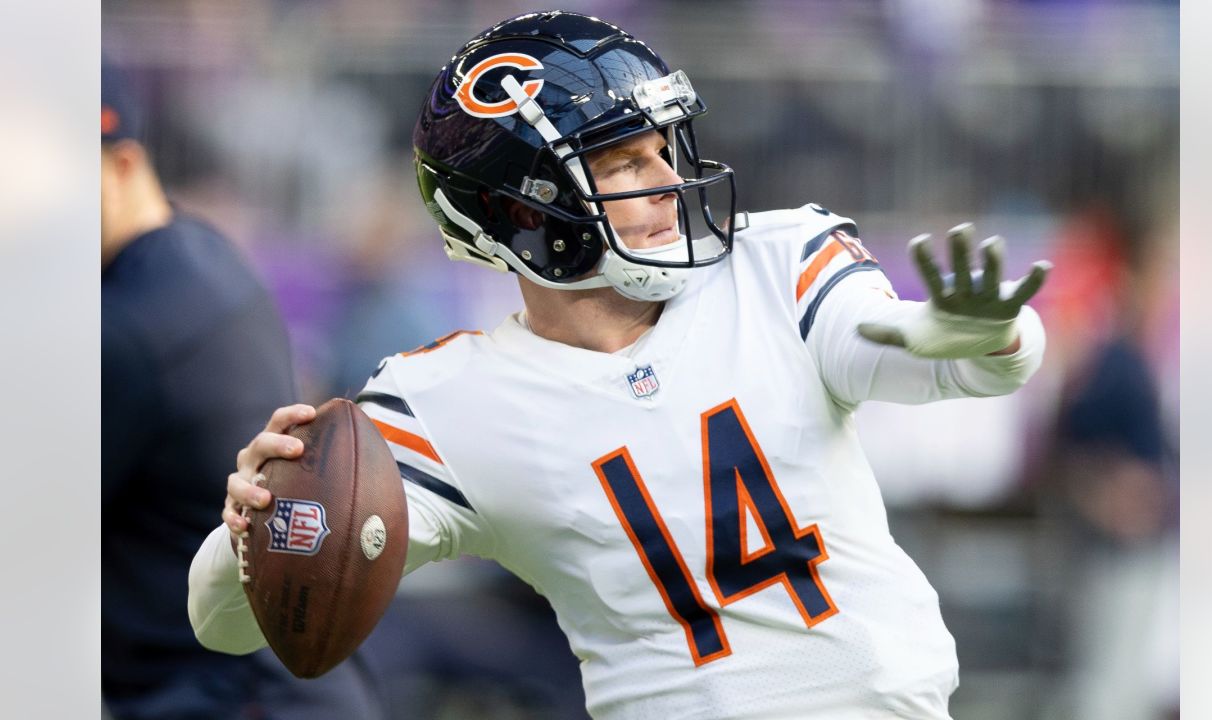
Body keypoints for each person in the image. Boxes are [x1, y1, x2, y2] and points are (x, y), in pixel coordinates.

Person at [189, 12, 1050, 719]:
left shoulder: (775, 263)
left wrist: (973, 335)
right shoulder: (447, 403)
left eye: (663, 149)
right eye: (624, 162)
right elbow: (223, 623)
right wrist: (253, 531)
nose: (667, 178)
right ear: (528, 209)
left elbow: (945, 357)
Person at [101, 61, 383, 719]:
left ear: (121, 166)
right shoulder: (195, 254)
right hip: (280, 684)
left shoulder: (132, 326)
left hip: (237, 697)